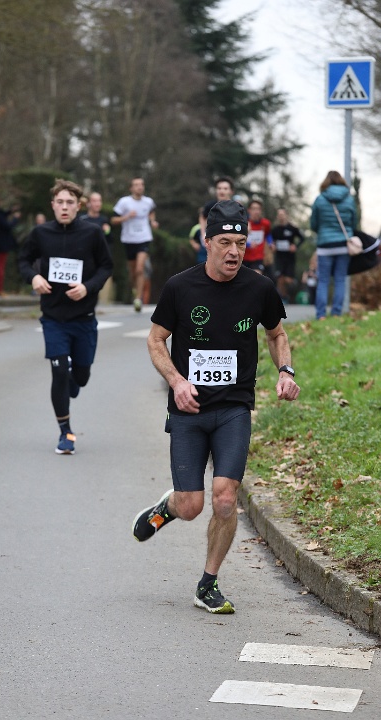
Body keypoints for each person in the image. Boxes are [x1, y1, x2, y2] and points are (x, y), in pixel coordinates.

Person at [132, 200, 300, 614]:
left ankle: (208, 584)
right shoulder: (180, 287)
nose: (234, 251)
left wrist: (286, 371)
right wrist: (176, 381)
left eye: (240, 243)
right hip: (188, 410)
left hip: (233, 409)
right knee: (191, 506)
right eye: (224, 242)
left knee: (225, 499)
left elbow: (277, 334)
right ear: (207, 242)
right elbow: (156, 340)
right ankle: (167, 507)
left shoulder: (259, 288)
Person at [18, 179, 113, 455]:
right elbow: (23, 260)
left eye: (69, 202)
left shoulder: (92, 233)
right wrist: (34, 277)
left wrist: (87, 287)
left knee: (80, 377)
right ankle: (65, 432)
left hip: (83, 317)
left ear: (78, 206)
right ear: (52, 205)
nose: (64, 207)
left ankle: (75, 378)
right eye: (59, 202)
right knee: (58, 371)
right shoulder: (41, 233)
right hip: (53, 317)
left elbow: (106, 266)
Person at [310, 171, 357, 320]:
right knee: (340, 280)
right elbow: (353, 222)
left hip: (325, 245)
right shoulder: (349, 199)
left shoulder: (320, 199)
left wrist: (323, 231)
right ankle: (336, 313)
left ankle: (321, 315)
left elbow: (313, 224)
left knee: (323, 280)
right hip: (343, 245)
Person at [111, 177, 158, 312]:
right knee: (132, 272)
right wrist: (126, 217)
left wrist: (152, 221)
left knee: (139, 269)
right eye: (136, 185)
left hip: (144, 238)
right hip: (129, 239)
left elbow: (151, 212)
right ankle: (135, 288)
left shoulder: (148, 202)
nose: (139, 187)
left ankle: (138, 299)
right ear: (131, 188)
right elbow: (113, 220)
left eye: (141, 184)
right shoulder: (124, 202)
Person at [272, 208, 305, 302]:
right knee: (280, 278)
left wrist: (295, 246)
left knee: (288, 280)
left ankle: (292, 288)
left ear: (286, 215)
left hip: (290, 258)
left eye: (282, 214)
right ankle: (283, 297)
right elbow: (271, 240)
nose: (281, 216)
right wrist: (272, 245)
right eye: (279, 215)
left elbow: (302, 238)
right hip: (279, 257)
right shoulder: (275, 229)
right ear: (277, 216)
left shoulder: (292, 228)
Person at [243, 199, 272, 276]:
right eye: (254, 209)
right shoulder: (244, 223)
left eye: (258, 209)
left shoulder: (266, 223)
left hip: (258, 258)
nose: (256, 212)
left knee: (257, 276)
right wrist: (248, 244)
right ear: (249, 210)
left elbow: (268, 234)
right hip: (244, 257)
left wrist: (270, 243)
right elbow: (237, 240)